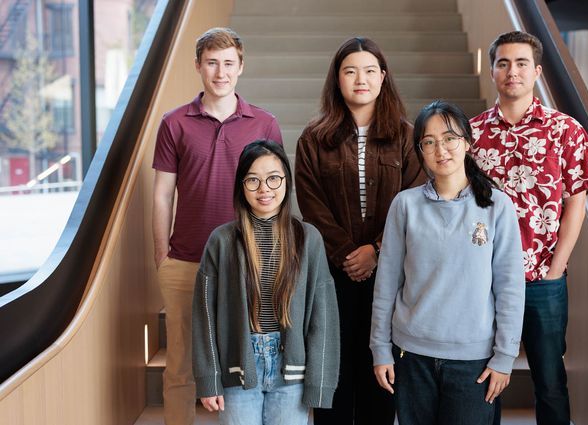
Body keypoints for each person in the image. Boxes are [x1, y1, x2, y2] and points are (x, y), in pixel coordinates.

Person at [470, 31, 588, 425]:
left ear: (537, 71)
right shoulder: (471, 135)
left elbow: (576, 203)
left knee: (549, 380)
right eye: (503, 63)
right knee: (484, 378)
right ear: (492, 70)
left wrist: (556, 268)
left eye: (521, 63)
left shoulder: (567, 130)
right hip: (484, 279)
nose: (512, 71)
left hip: (544, 278)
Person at [152, 28, 282, 424]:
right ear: (198, 66)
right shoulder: (174, 123)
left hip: (248, 263)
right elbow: (162, 194)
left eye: (228, 63)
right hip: (186, 260)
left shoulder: (264, 123)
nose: (220, 72)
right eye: (212, 62)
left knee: (242, 355)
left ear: (241, 67)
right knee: (180, 364)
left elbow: (275, 194)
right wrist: (163, 255)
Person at [294, 36, 426, 424]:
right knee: (333, 373)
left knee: (380, 376)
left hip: (390, 274)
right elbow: (310, 204)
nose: (360, 79)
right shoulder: (314, 138)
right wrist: (349, 255)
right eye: (350, 71)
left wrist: (377, 250)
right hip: (332, 275)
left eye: (370, 71)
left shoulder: (405, 135)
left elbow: (414, 198)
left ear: (383, 77)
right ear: (337, 79)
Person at [370, 100, 526, 425]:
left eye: (450, 138)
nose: (441, 149)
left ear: (467, 142)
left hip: (474, 361)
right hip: (410, 356)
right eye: (429, 142)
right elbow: (386, 283)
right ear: (420, 151)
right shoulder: (405, 205)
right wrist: (380, 349)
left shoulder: (497, 206)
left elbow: (510, 286)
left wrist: (504, 357)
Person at [191, 140, 339, 425]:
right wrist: (209, 380)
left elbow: (324, 317)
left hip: (291, 370)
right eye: (253, 180)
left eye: (273, 178)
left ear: (286, 181)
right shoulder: (222, 241)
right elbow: (204, 317)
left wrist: (319, 383)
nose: (264, 189)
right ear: (241, 186)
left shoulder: (308, 238)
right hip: (239, 364)